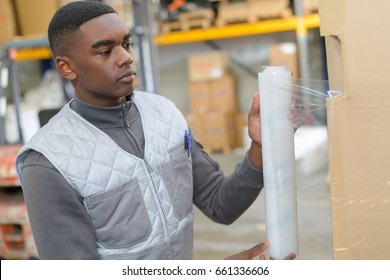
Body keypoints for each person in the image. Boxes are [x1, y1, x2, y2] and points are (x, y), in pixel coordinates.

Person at [15, 1, 296, 260]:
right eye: (104, 51)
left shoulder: (165, 114)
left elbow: (220, 205)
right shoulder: (48, 163)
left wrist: (260, 149)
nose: (125, 57)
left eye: (126, 44)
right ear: (66, 67)